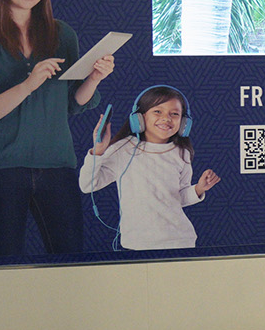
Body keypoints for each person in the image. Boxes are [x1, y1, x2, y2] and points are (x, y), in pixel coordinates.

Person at [0, 0, 117, 257]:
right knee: (5, 261)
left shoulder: (62, 34)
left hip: (57, 164)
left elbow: (72, 103)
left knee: (69, 260)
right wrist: (29, 84)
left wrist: (95, 77)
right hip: (1, 167)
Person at [80, 85, 219, 250]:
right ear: (139, 117)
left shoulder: (182, 153)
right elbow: (88, 185)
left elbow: (179, 198)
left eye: (174, 114)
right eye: (157, 112)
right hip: (138, 242)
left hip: (180, 240)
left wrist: (198, 189)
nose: (166, 118)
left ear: (184, 122)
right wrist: (98, 152)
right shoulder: (123, 149)